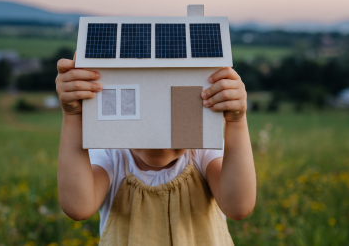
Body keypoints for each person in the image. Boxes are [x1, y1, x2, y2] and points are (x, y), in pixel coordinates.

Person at [55, 55, 256, 245]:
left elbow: (238, 207)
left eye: (175, 115)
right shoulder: (112, 154)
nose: (161, 142)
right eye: (147, 117)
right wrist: (72, 114)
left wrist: (237, 121)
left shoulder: (204, 152)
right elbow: (78, 206)